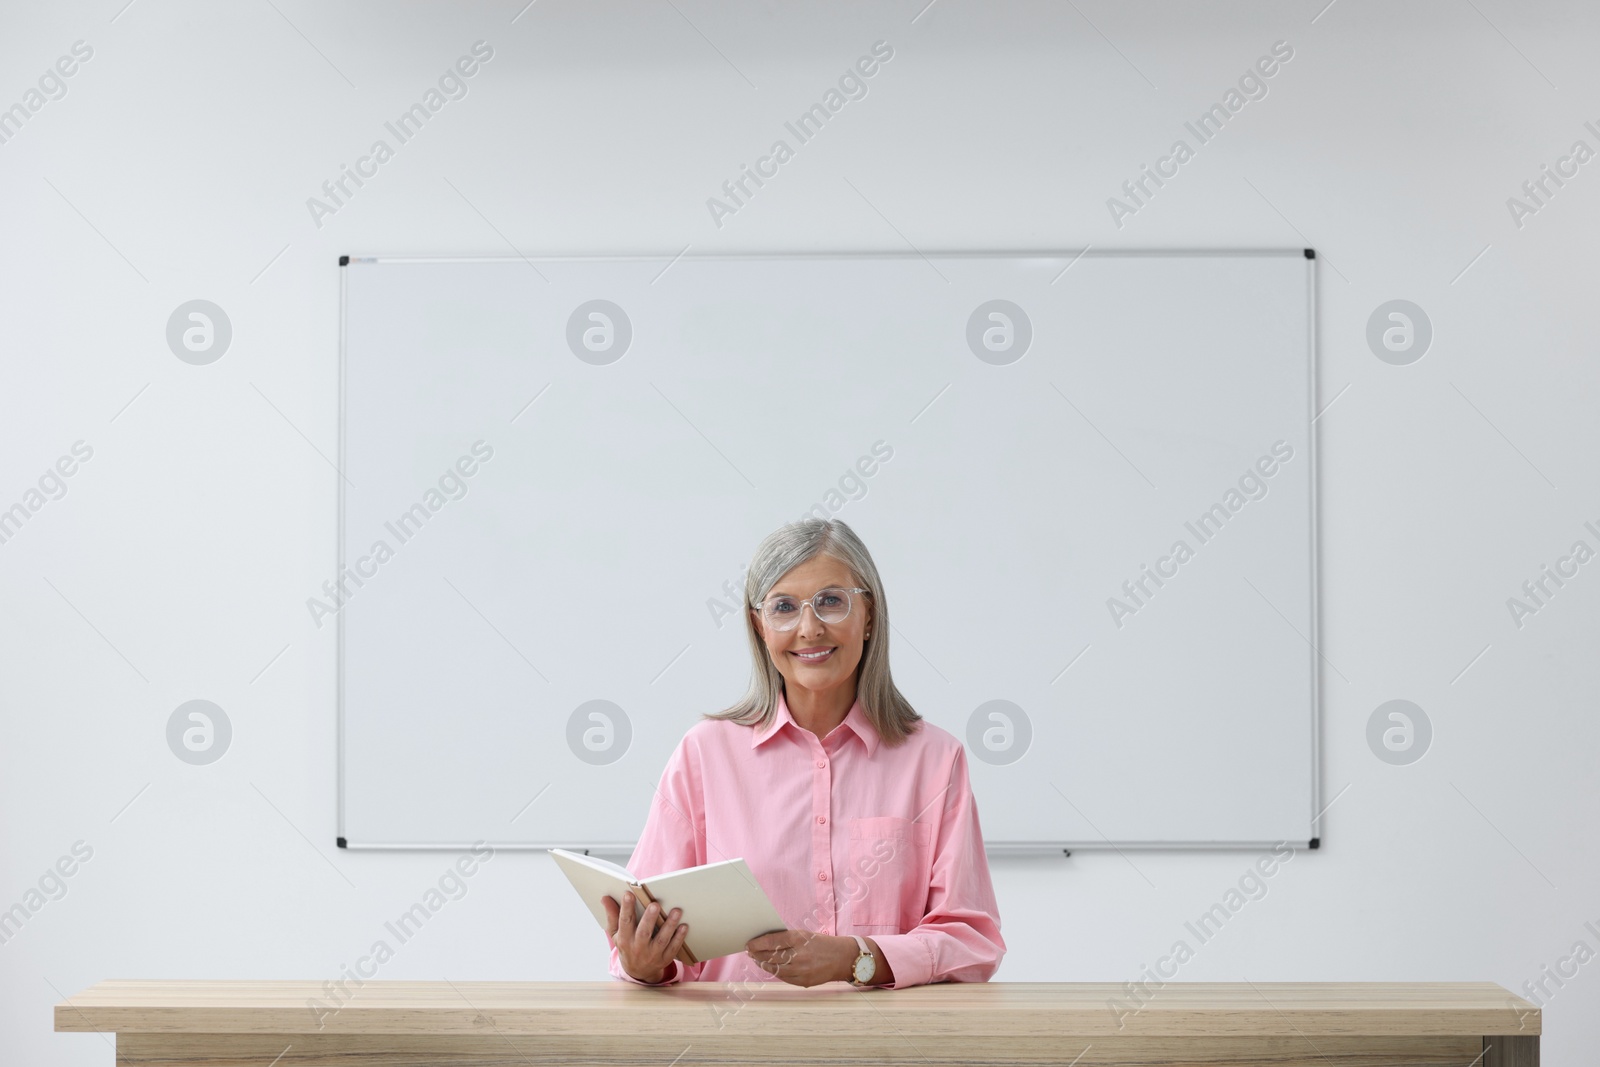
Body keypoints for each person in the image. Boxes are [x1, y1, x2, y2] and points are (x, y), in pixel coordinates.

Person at [603, 517, 1005, 988]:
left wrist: (855, 958)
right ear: (759, 627)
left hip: (885, 1052)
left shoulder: (936, 759)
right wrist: (643, 963)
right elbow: (656, 941)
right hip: (735, 1052)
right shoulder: (704, 754)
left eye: (831, 601)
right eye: (784, 607)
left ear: (870, 615)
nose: (809, 628)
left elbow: (972, 943)